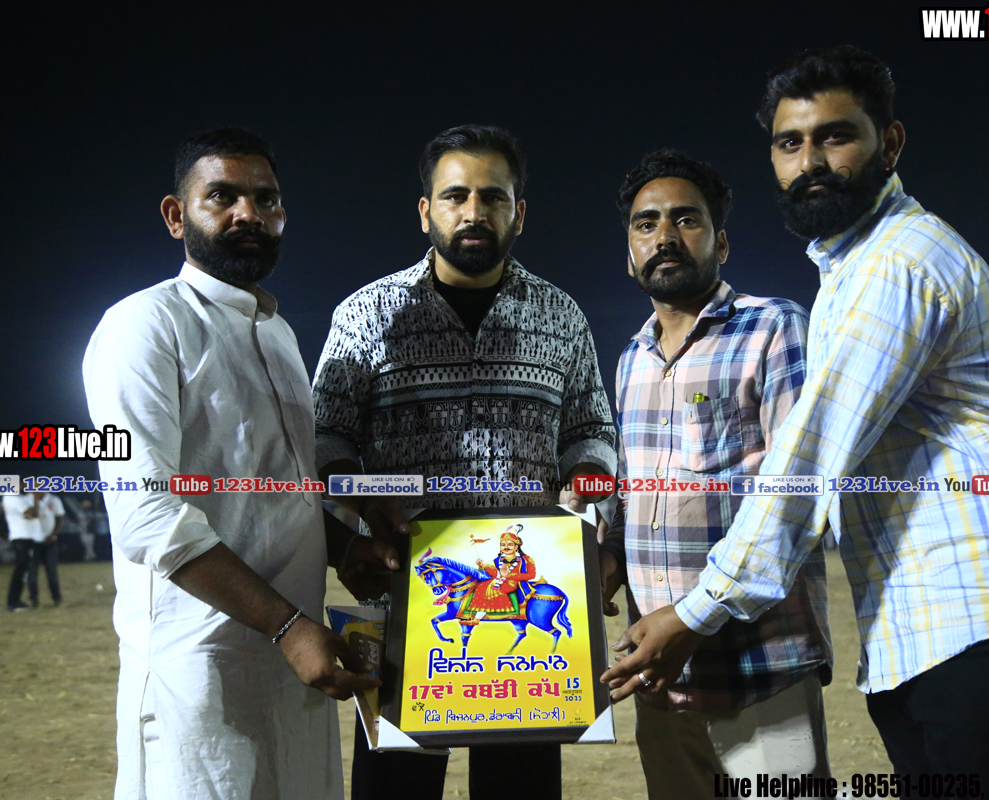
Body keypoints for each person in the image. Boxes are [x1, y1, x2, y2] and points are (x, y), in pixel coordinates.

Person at [601, 46, 989, 782]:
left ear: (890, 143)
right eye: (790, 144)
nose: (811, 162)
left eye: (836, 136)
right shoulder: (845, 272)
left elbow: (806, 464)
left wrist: (694, 611)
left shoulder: (895, 266)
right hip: (935, 626)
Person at [312, 124, 615, 800]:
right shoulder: (367, 314)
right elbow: (324, 437)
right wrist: (366, 504)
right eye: (455, 196)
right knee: (394, 793)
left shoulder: (561, 316)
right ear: (426, 211)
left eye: (493, 197)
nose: (474, 211)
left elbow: (592, 432)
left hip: (527, 602)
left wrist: (583, 494)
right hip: (405, 596)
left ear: (519, 212)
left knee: (521, 792)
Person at [83, 127, 378, 800]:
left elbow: (276, 490)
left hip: (297, 665)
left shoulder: (277, 334)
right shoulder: (143, 326)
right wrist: (286, 626)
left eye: (265, 199)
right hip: (200, 670)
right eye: (223, 196)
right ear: (175, 215)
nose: (248, 213)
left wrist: (345, 548)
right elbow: (146, 512)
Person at [599, 149, 830, 797]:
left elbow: (799, 501)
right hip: (661, 682)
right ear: (629, 254)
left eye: (686, 219)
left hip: (760, 672)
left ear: (720, 242)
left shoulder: (774, 328)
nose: (665, 236)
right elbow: (631, 493)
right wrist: (605, 558)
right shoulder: (632, 360)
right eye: (646, 224)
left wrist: (691, 618)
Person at [2, 490, 65, 611]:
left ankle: (56, 598)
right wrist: (35, 499)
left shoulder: (53, 499)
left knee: (51, 570)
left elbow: (60, 518)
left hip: (49, 540)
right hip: (34, 539)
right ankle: (33, 599)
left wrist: (53, 534)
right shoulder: (27, 498)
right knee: (31, 571)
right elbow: (30, 515)